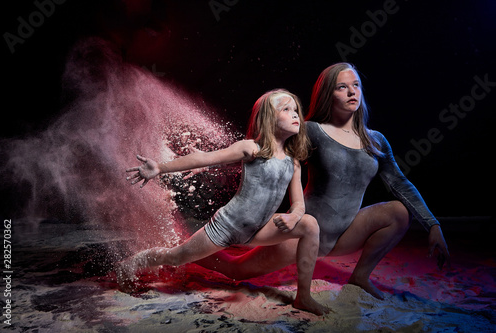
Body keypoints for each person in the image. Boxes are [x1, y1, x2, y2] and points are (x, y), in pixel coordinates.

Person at [195, 63, 450, 300]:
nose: (352, 92)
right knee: (235, 270)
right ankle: (182, 254)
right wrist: (210, 161)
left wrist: (433, 225)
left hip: (345, 236)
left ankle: (360, 277)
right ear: (330, 93)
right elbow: (267, 148)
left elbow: (400, 184)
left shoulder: (376, 141)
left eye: (356, 85)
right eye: (342, 87)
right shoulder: (312, 130)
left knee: (398, 212)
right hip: (302, 235)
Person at [117, 89, 329, 316]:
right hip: (227, 227)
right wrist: (160, 167)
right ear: (269, 118)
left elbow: (298, 203)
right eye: (286, 109)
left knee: (309, 224)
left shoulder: (293, 162)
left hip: (259, 230)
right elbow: (207, 158)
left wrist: (295, 216)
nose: (295, 114)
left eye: (296, 109)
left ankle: (304, 297)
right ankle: (129, 264)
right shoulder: (251, 148)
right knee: (176, 257)